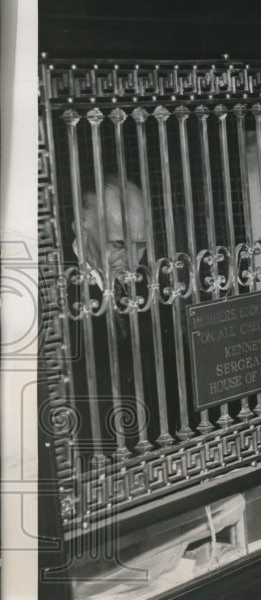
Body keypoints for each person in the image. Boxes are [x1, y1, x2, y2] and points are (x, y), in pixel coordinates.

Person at [68, 177, 181, 456]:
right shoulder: (50, 291)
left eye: (140, 244)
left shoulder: (154, 283)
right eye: (118, 244)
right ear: (83, 225)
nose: (132, 260)